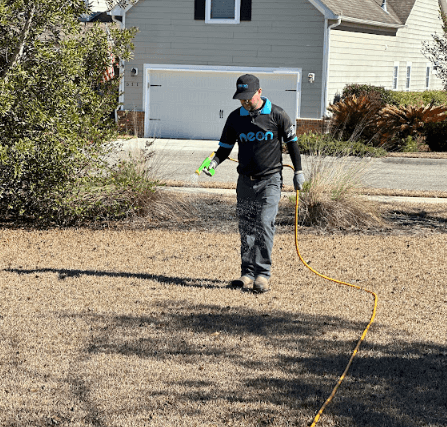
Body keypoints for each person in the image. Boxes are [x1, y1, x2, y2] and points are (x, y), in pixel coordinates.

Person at [203, 74, 305, 293]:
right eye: (241, 98)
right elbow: (224, 148)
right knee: (247, 227)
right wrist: (213, 163)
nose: (245, 102)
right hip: (245, 182)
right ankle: (247, 274)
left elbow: (293, 144)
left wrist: (298, 171)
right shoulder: (235, 118)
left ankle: (262, 275)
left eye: (248, 97)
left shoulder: (277, 114)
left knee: (264, 223)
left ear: (259, 92)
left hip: (270, 180)